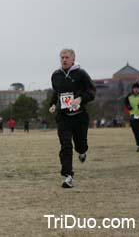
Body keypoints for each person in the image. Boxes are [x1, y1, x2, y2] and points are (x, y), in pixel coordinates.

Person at [49, 48, 96, 188]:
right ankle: (68, 176)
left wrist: (80, 99)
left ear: (73, 59)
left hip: (80, 116)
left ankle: (82, 152)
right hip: (63, 117)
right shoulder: (56, 75)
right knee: (65, 145)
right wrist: (52, 104)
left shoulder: (81, 74)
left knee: (80, 145)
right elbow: (56, 92)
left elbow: (92, 91)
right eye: (62, 57)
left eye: (66, 57)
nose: (64, 60)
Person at [124, 82, 139, 152]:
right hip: (133, 116)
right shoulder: (129, 96)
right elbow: (126, 103)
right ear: (132, 89)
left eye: (137, 89)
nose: (136, 90)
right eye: (134, 89)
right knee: (136, 131)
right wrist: (128, 106)